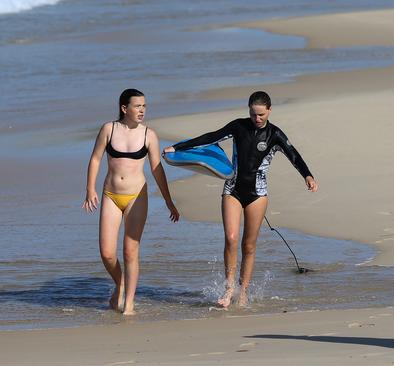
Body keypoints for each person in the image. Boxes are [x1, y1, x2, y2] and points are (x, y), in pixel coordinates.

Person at [164, 91, 318, 308]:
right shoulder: (238, 126)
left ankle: (243, 290)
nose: (257, 119)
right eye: (254, 114)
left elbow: (294, 156)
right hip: (232, 189)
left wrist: (308, 176)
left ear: (270, 111)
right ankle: (229, 288)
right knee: (231, 237)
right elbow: (212, 137)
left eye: (262, 115)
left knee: (249, 245)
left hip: (257, 194)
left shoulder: (275, 134)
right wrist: (178, 148)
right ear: (249, 110)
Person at [83, 88, 180, 315]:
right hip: (110, 195)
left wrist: (168, 201)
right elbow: (95, 159)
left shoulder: (149, 135)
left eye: (144, 106)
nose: (142, 110)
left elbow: (157, 170)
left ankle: (128, 305)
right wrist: (90, 189)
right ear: (124, 108)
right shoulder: (109, 129)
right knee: (107, 253)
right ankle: (121, 282)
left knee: (130, 251)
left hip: (137, 196)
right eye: (137, 106)